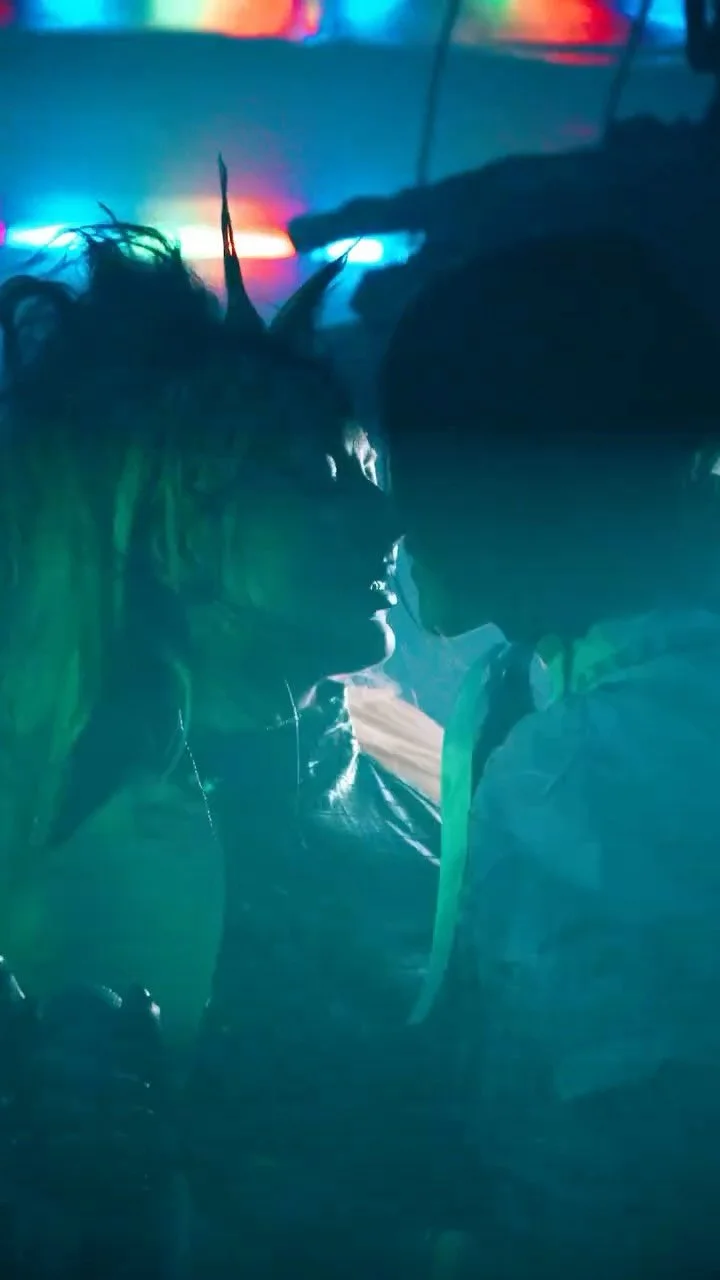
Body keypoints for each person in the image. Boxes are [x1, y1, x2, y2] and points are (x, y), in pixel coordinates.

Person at [0, 168, 444, 1274]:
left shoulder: (435, 779)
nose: (384, 515)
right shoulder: (39, 831)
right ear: (163, 521)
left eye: (366, 469)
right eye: (317, 477)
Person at [379, 230, 720, 1278]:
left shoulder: (581, 772)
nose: (386, 510)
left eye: (407, 461)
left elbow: (599, 1183)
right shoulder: (539, 696)